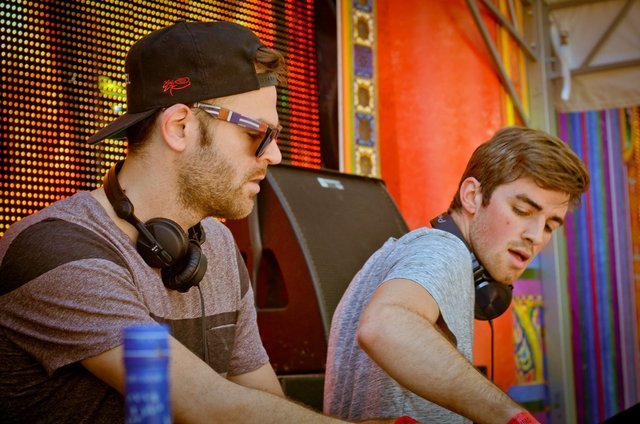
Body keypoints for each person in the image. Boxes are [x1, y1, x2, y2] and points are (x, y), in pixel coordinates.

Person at [0, 20, 398, 423]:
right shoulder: (58, 252)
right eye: (259, 134)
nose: (274, 155)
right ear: (180, 127)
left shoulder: (217, 246)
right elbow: (207, 406)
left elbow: (260, 398)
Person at [323, 126, 590, 424]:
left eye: (550, 225)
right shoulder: (443, 249)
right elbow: (383, 324)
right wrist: (509, 416)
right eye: (522, 210)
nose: (536, 236)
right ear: (472, 196)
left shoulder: (404, 253)